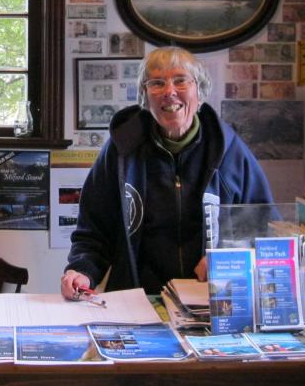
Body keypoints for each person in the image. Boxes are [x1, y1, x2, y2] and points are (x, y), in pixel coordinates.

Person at [60, 46, 274, 298]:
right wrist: (81, 270)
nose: (169, 92)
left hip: (212, 297)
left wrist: (228, 257)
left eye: (181, 80)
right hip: (138, 297)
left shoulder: (229, 151)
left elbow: (264, 229)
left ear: (199, 90)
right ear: (145, 95)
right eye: (157, 83)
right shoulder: (121, 151)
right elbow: (94, 229)